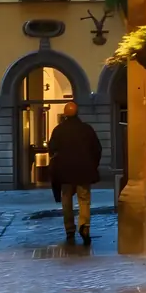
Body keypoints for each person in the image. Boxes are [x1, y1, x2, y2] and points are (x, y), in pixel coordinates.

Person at [48, 101, 102, 245]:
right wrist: (92, 165)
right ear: (78, 113)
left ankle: (69, 229)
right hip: (84, 172)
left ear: (65, 114)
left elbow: (52, 149)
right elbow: (97, 149)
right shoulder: (87, 129)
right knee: (84, 200)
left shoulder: (59, 130)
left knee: (66, 201)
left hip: (65, 173)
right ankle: (84, 226)